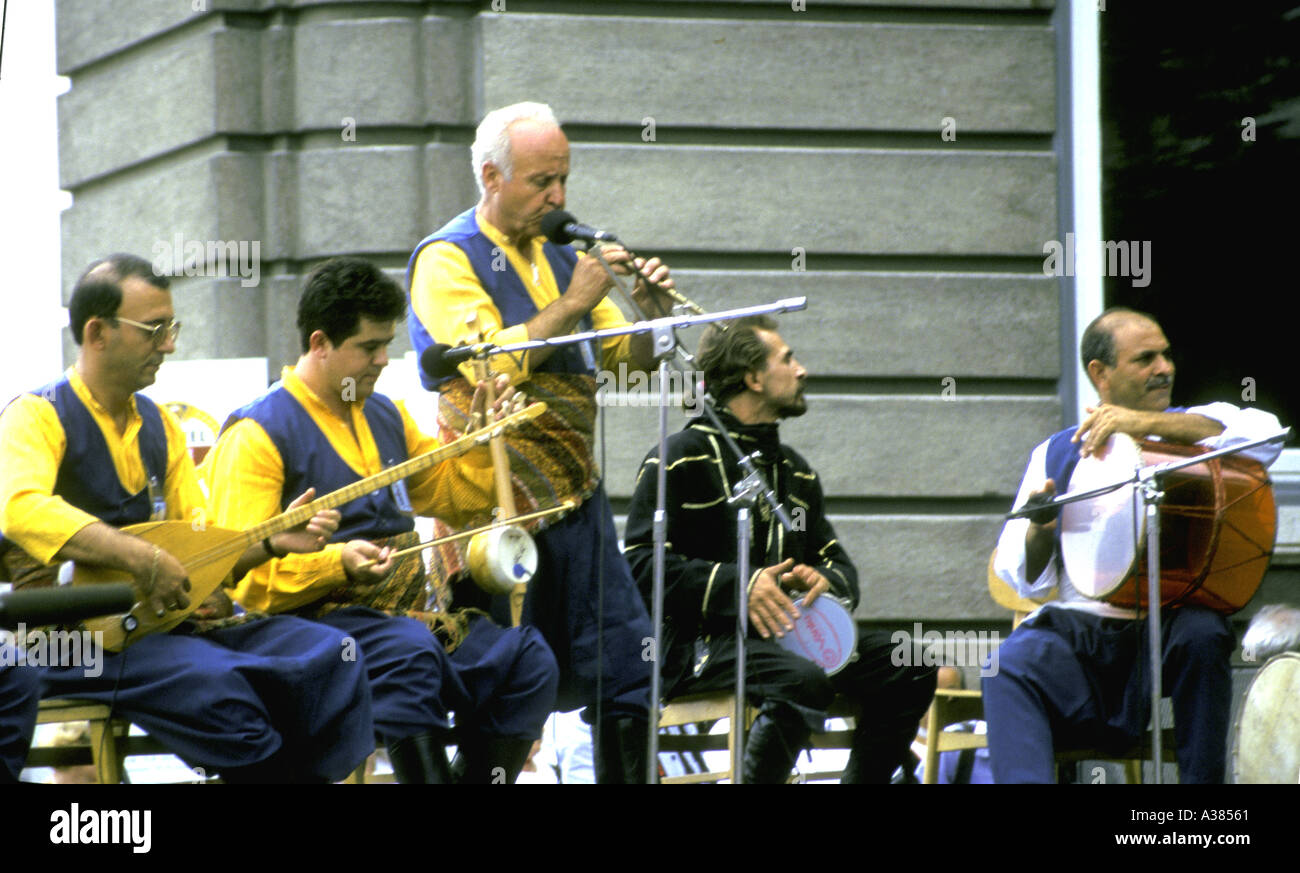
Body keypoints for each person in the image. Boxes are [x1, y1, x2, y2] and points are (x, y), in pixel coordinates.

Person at [0, 254, 375, 783]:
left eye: (171, 328)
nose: (169, 345)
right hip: (75, 644)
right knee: (224, 693)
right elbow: (20, 509)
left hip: (162, 633)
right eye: (154, 330)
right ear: (97, 332)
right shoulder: (36, 414)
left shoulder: (162, 428)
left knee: (328, 655)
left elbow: (201, 549)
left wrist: (268, 543)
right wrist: (143, 557)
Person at [202, 257, 558, 784]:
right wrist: (337, 563)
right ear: (320, 342)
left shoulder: (386, 414)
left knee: (526, 657)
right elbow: (247, 579)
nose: (384, 360)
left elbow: (454, 495)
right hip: (306, 631)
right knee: (408, 654)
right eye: (369, 348)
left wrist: (483, 444)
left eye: (386, 344)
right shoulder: (257, 433)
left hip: (398, 624)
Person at [406, 101, 678, 782]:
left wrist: (652, 311)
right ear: (492, 177)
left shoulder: (565, 256)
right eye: (541, 182)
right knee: (504, 678)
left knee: (627, 661)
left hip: (576, 495)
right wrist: (572, 304)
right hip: (491, 506)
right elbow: (482, 363)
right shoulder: (447, 256)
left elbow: (626, 360)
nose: (558, 198)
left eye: (563, 180)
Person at [624, 315, 938, 782]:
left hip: (785, 642)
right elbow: (640, 564)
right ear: (752, 378)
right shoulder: (678, 455)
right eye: (788, 359)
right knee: (801, 678)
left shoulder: (797, 470)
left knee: (910, 661)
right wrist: (741, 587)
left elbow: (838, 564)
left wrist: (822, 580)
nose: (802, 370)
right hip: (697, 647)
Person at [985, 307, 1284, 783]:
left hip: (1168, 624)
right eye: (1145, 359)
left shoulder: (1198, 427)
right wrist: (1040, 529)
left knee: (1205, 634)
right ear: (1099, 374)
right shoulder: (1054, 451)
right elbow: (1018, 574)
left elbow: (1269, 435)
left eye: (1165, 355)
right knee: (1006, 664)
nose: (1164, 367)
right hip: (1083, 629)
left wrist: (1143, 422)